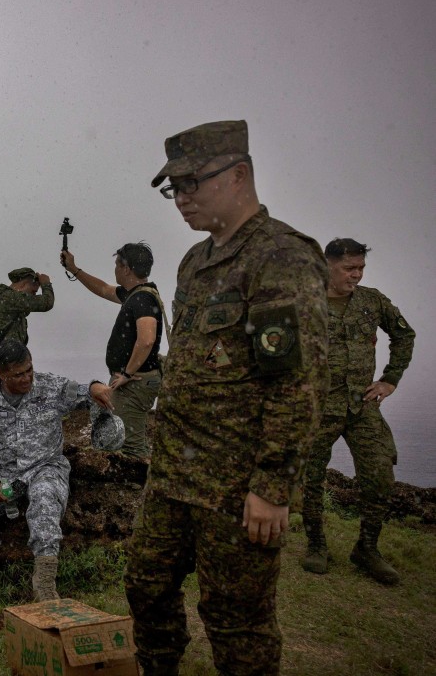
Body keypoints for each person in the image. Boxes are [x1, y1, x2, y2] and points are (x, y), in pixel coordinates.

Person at [123, 120, 328, 676]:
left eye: (192, 184)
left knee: (237, 620)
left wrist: (271, 485)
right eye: (175, 189)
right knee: (145, 584)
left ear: (239, 175)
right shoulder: (194, 263)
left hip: (235, 486)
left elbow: (296, 384)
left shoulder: (280, 257)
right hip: (172, 473)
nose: (181, 199)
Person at [0, 340, 113, 627]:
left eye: (29, 370)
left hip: (45, 468)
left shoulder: (49, 387)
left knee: (45, 500)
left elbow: (86, 393)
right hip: (5, 476)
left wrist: (97, 385)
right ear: (0, 373)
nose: (26, 378)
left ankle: (45, 589)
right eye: (18, 375)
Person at [301, 238, 414, 584]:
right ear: (327, 265)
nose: (357, 275)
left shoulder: (371, 301)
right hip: (318, 407)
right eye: (349, 268)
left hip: (361, 405)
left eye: (361, 268)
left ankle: (367, 548)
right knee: (310, 478)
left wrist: (389, 380)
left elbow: (404, 335)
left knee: (380, 473)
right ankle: (316, 544)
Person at [61, 243, 165, 459]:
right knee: (124, 436)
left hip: (136, 381)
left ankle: (141, 487)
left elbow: (146, 340)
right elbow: (103, 289)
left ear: (126, 268)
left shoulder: (142, 299)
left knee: (131, 445)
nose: (115, 269)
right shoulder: (135, 294)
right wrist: (75, 269)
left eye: (117, 264)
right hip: (135, 380)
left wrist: (127, 374)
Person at [0, 267, 54, 384]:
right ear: (24, 284)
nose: (32, 296)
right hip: (2, 365)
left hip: (2, 363)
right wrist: (46, 284)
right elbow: (47, 303)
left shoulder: (6, 297)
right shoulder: (9, 297)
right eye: (33, 292)